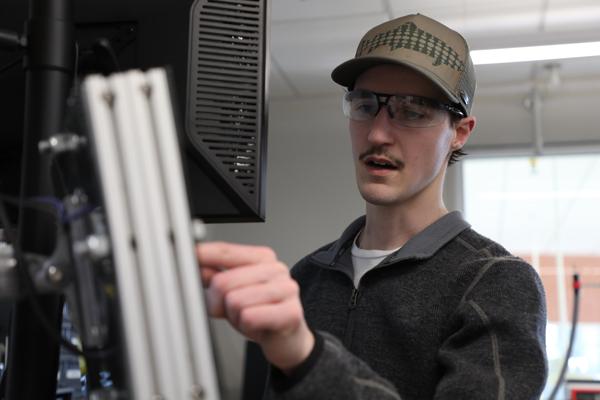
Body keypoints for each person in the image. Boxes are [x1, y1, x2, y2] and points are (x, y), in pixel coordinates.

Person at [197, 13, 548, 400]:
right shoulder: (307, 277)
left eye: (412, 111)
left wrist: (307, 357)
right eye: (365, 105)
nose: (378, 134)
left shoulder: (496, 283)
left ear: (459, 133)